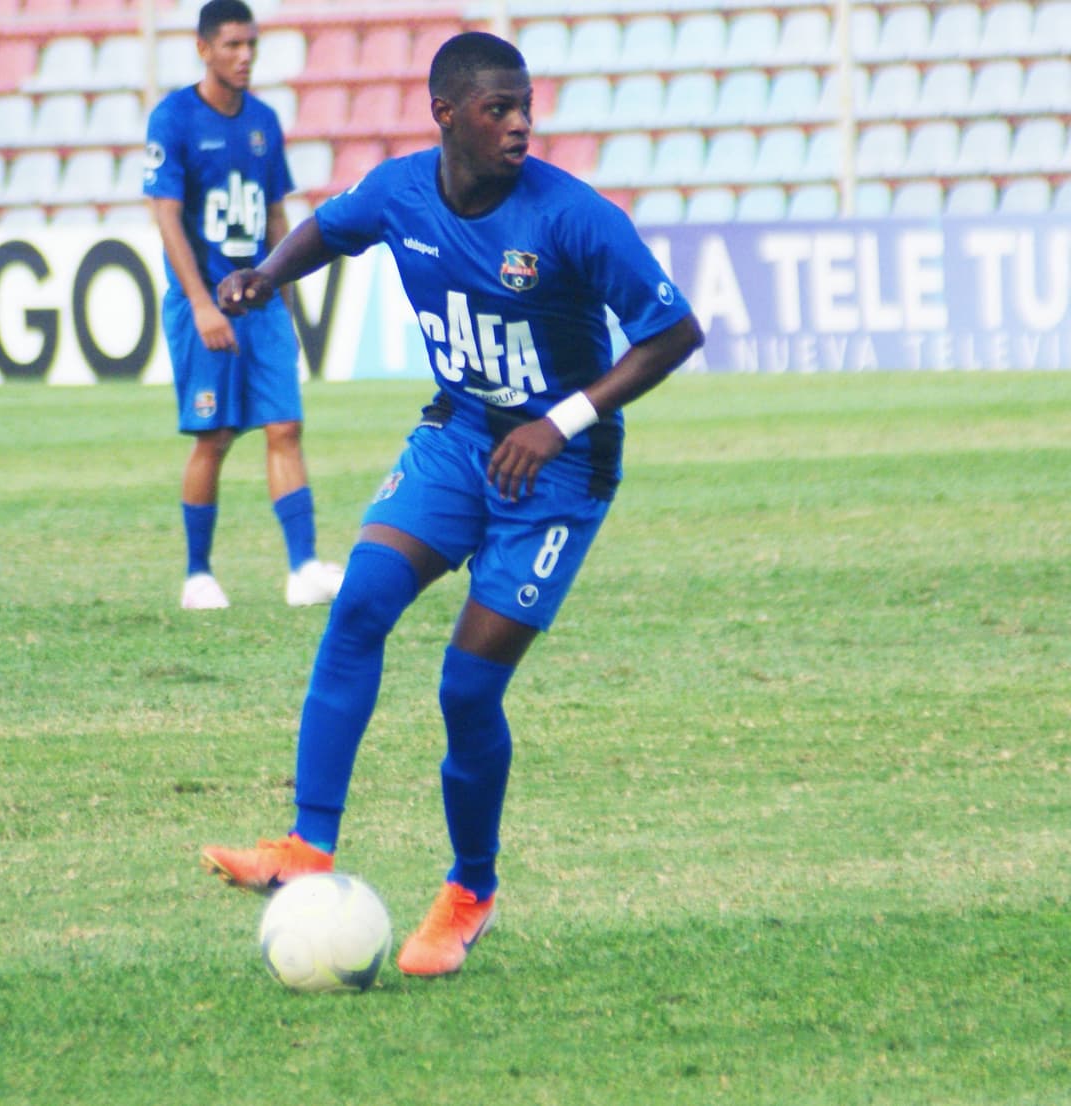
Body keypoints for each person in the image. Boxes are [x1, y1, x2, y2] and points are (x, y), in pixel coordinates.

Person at [201, 31, 704, 976]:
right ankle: (308, 849)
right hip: (461, 436)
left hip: (557, 471)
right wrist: (268, 275)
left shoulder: (575, 218)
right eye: (498, 110)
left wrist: (561, 420)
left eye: (525, 108)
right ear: (447, 116)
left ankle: (471, 887)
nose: (521, 125)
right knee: (357, 606)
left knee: (465, 689)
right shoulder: (402, 190)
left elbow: (676, 331)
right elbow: (333, 227)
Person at [143, 0, 342, 610]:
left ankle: (303, 568)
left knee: (285, 426)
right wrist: (201, 305)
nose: (245, 55)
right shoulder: (173, 118)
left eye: (251, 44)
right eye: (232, 45)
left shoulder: (263, 120)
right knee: (216, 435)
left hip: (262, 305)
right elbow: (167, 216)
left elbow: (278, 212)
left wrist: (287, 294)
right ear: (203, 49)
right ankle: (197, 575)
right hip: (205, 305)